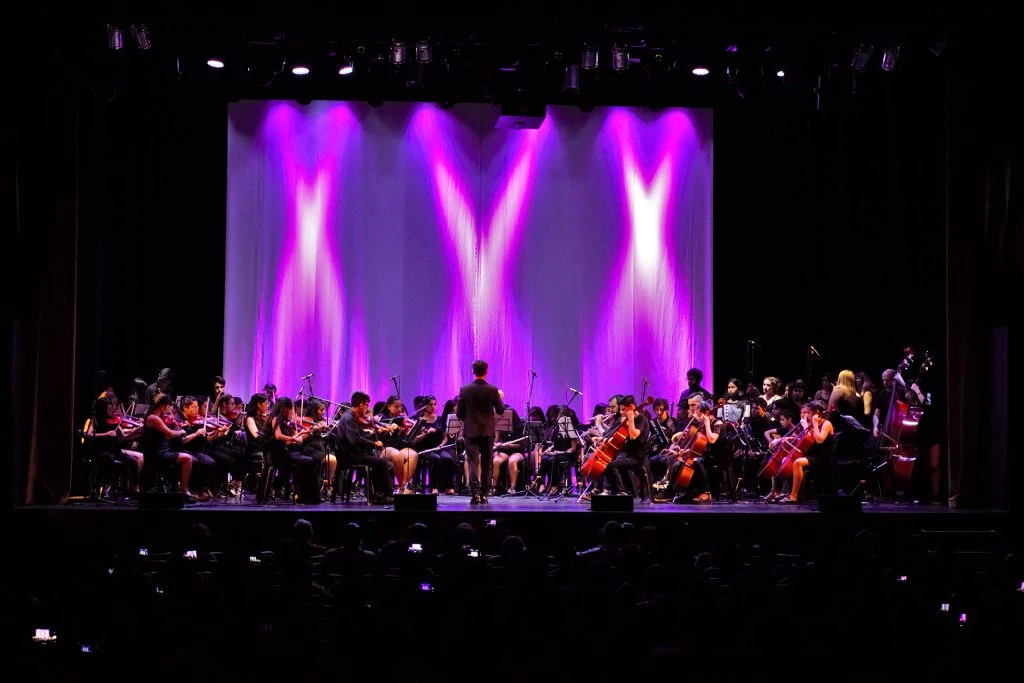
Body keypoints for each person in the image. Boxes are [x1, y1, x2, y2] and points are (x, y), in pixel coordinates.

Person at [455, 359, 505, 505]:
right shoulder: (492, 390)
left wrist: (469, 420)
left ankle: (475, 493)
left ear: (473, 371)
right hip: (487, 431)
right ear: (486, 371)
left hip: (471, 431)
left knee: (473, 463)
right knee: (487, 464)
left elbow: (459, 413)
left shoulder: (464, 389)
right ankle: (484, 494)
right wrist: (499, 398)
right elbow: (500, 410)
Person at [333, 391, 394, 504]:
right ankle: (386, 495)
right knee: (384, 463)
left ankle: (378, 494)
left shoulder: (353, 417)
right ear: (361, 405)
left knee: (382, 462)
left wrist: (377, 433)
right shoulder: (348, 418)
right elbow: (354, 440)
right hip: (349, 456)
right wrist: (373, 443)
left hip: (354, 453)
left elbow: (361, 435)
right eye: (367, 404)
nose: (368, 408)